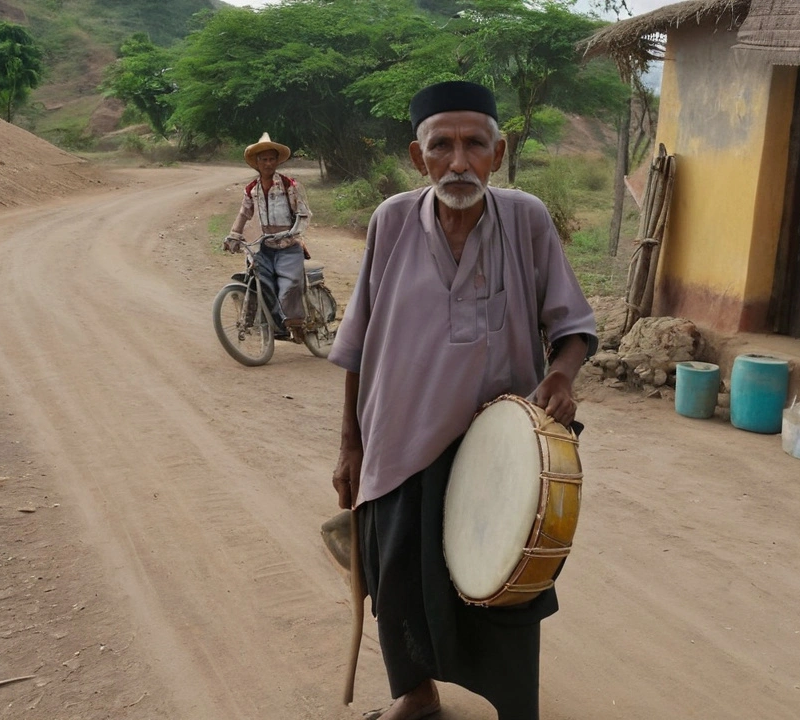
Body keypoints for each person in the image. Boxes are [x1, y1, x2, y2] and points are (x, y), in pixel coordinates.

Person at [328, 80, 597, 720]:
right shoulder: (391, 220)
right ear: (418, 157)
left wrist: (562, 374)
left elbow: (574, 329)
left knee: (504, 583)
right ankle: (416, 697)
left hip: (494, 444)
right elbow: (359, 342)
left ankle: (511, 704)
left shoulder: (527, 219)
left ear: (497, 152)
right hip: (398, 439)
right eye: (440, 146)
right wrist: (350, 443)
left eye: (474, 144)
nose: (458, 162)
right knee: (397, 577)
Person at [225, 132, 311, 340]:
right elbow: (244, 213)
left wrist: (293, 231)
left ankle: (296, 324)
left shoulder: (290, 185)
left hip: (288, 245)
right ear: (256, 163)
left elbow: (304, 213)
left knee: (288, 286)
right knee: (262, 286)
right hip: (265, 247)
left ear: (277, 161)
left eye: (272, 159)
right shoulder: (251, 190)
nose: (268, 163)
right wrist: (233, 236)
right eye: (264, 159)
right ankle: (274, 325)